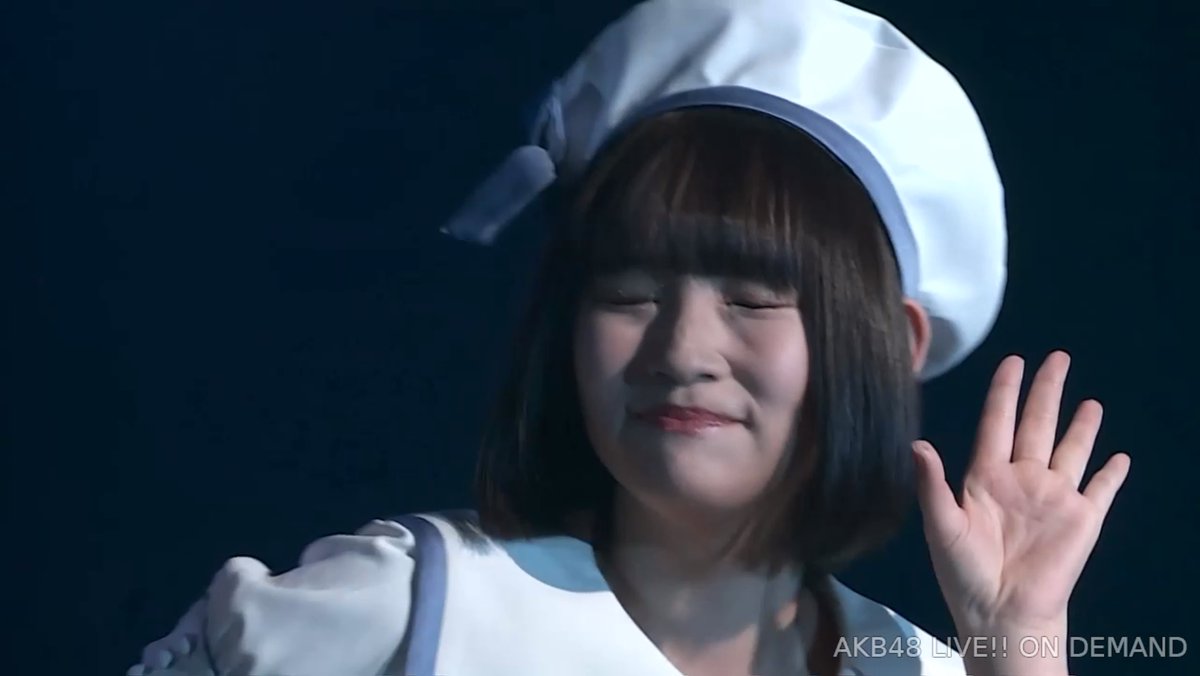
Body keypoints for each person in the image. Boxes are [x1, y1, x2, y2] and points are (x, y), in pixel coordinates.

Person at [128, 0, 1131, 674]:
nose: (682, 350)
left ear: (890, 344)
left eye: (752, 297)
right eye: (630, 291)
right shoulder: (401, 611)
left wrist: (1022, 650)